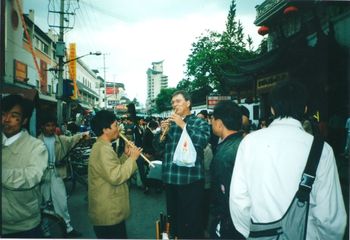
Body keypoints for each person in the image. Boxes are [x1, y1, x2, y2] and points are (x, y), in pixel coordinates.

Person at [229, 80, 347, 239]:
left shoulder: (249, 142)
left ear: (272, 109)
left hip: (259, 234)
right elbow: (330, 217)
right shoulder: (322, 149)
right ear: (305, 109)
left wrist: (251, 232)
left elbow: (238, 200)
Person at [154, 90, 211, 239]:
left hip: (190, 180)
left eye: (178, 101)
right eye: (173, 102)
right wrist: (163, 133)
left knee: (192, 221)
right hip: (171, 179)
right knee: (174, 220)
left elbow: (202, 141)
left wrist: (183, 125)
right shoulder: (171, 123)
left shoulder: (199, 122)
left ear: (188, 103)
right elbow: (158, 148)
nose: (174, 105)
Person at [88, 110, 142, 239]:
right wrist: (133, 159)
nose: (118, 128)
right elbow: (116, 177)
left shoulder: (103, 146)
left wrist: (126, 156)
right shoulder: (102, 149)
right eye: (115, 125)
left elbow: (113, 169)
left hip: (109, 210)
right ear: (105, 129)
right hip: (108, 213)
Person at [2, 94, 48, 238]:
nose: (6, 119)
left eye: (14, 115)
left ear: (24, 120)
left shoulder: (36, 146)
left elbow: (31, 177)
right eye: (3, 114)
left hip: (23, 227)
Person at [38, 115, 88, 238]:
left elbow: (73, 139)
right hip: (41, 176)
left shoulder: (60, 140)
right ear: (42, 127)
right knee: (42, 203)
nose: (51, 128)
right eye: (47, 125)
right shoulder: (36, 142)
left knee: (62, 202)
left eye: (53, 125)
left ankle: (67, 228)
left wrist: (83, 135)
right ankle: (44, 231)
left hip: (56, 174)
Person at [209, 100, 244, 239]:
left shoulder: (224, 154)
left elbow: (223, 194)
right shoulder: (244, 142)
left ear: (219, 123)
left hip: (229, 221)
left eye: (212, 119)